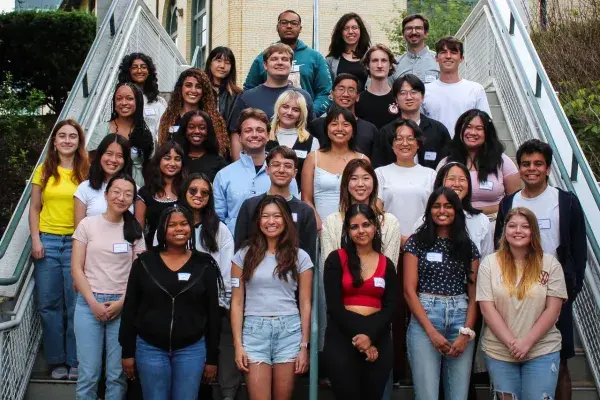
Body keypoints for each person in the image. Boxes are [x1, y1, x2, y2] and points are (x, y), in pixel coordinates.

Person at [494, 139, 587, 400]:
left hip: (554, 295)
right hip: (513, 295)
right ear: (520, 168)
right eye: (525, 164)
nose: (531, 169)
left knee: (560, 362)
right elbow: (499, 247)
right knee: (512, 356)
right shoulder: (508, 203)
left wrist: (567, 293)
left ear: (547, 168)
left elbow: (578, 253)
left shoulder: (566, 202)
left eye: (538, 164)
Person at [119, 205, 222, 399]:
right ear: (162, 230)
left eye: (184, 224)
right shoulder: (144, 263)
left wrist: (212, 358)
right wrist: (127, 352)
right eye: (172, 225)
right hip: (150, 348)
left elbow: (213, 315)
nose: (179, 229)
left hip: (191, 349)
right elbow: (130, 309)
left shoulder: (205, 264)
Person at [478, 207, 567, 399]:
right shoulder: (489, 263)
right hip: (499, 351)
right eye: (512, 226)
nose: (518, 231)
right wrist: (513, 343)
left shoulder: (550, 264)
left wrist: (527, 342)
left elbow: (553, 309)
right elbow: (487, 308)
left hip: (542, 350)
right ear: (505, 230)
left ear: (533, 231)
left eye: (525, 226)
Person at [230, 195, 313, 400]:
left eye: (277, 216)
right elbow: (237, 302)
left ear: (286, 220)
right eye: (265, 216)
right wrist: (238, 344)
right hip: (254, 332)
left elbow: (305, 303)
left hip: (289, 331)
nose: (271, 221)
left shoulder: (300, 256)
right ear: (258, 221)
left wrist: (304, 346)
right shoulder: (243, 255)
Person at [71, 174, 145, 399]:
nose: (121, 197)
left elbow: (138, 274)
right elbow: (76, 268)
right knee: (88, 374)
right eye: (116, 191)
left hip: (122, 307)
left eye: (128, 194)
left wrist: (122, 303)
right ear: (106, 194)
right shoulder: (87, 224)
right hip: (88, 305)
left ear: (132, 200)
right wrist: (93, 303)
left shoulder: (135, 231)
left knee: (116, 375)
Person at [404, 187, 481, 400]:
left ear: (456, 210)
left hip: (460, 318)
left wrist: (466, 333)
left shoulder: (469, 247)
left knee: (458, 396)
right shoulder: (416, 242)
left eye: (448, 206)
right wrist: (431, 332)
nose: (442, 211)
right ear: (429, 211)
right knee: (427, 395)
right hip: (426, 318)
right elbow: (409, 291)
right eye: (436, 206)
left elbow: (474, 296)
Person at [29, 119, 89, 380]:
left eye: (72, 136)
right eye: (62, 136)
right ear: (54, 141)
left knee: (76, 304)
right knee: (49, 304)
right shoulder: (43, 170)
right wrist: (35, 240)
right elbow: (34, 208)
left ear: (79, 142)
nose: (67, 140)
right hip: (49, 242)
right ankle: (56, 361)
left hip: (76, 243)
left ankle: (75, 359)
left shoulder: (86, 171)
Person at [320, 159, 401, 350]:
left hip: (378, 320)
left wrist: (371, 335)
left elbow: (389, 272)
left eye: (366, 178)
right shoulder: (332, 221)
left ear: (374, 183)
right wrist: (360, 335)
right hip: (342, 320)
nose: (360, 184)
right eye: (354, 178)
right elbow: (330, 272)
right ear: (346, 184)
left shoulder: (390, 222)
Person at [323, 204, 397, 400]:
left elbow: (390, 307)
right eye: (354, 227)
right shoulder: (336, 259)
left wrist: (370, 337)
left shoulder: (386, 264)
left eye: (366, 225)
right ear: (347, 230)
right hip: (342, 338)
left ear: (375, 227)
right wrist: (362, 339)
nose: (361, 231)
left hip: (378, 339)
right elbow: (334, 306)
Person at [177, 173, 237, 400]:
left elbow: (225, 272)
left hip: (212, 309)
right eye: (193, 190)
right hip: (178, 308)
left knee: (212, 371)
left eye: (204, 192)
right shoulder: (169, 222)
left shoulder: (219, 230)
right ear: (184, 192)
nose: (198, 196)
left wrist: (219, 304)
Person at [214, 108, 299, 234]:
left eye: (260, 130)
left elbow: (293, 212)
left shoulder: (283, 174)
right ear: (240, 137)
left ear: (268, 135)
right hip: (235, 247)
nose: (254, 135)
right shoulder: (224, 175)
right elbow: (217, 219)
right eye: (248, 130)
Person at [229, 43, 314, 161]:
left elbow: (309, 130)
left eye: (285, 59)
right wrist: (238, 166)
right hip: (255, 166)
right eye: (274, 59)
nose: (280, 62)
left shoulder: (303, 97)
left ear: (291, 65)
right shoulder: (247, 97)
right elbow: (235, 134)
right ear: (265, 65)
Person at [235, 146, 317, 260]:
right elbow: (239, 250)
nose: (281, 170)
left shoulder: (305, 211)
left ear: (295, 172)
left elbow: (309, 256)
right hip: (254, 273)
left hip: (292, 273)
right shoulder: (250, 206)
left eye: (288, 166)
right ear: (267, 170)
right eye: (276, 165)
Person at [244, 9, 332, 116]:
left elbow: (326, 92)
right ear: (277, 27)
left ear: (300, 28)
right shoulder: (262, 58)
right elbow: (249, 89)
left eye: (294, 23)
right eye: (284, 23)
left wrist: (309, 113)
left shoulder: (315, 57)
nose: (289, 26)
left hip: (303, 125)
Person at [440, 109, 521, 225]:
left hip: (495, 224)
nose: (473, 132)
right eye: (468, 127)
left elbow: (515, 201)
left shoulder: (503, 162)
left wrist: (481, 211)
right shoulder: (446, 163)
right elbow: (438, 198)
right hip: (455, 224)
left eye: (479, 128)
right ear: (460, 130)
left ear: (487, 133)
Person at [302, 107, 368, 230]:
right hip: (321, 227)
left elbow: (368, 199)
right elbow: (306, 198)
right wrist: (320, 225)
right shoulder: (313, 158)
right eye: (334, 124)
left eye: (346, 124)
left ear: (353, 130)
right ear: (326, 129)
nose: (339, 129)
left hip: (354, 229)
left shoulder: (363, 160)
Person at [375, 119, 436, 243]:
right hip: (388, 240)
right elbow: (377, 210)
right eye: (398, 138)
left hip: (423, 240)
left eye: (410, 138)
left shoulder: (430, 174)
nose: (405, 143)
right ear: (392, 144)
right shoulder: (380, 173)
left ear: (418, 143)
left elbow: (433, 210)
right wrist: (398, 238)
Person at [373, 74, 450, 169]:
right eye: (403, 93)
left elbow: (447, 165)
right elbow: (378, 166)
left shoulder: (438, 130)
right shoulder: (386, 132)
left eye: (414, 92)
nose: (409, 97)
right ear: (396, 99)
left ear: (422, 97)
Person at [87, 83, 154, 188]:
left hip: (138, 187)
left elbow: (150, 165)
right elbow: (91, 162)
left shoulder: (145, 132)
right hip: (106, 186)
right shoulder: (102, 129)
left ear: (138, 102)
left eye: (129, 98)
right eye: (119, 99)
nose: (123, 103)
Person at [422, 37, 491, 136]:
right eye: (443, 52)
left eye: (453, 52)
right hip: (435, 148)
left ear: (462, 58)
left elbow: (485, 123)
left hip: (465, 148)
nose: (448, 56)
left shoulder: (475, 89)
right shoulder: (425, 90)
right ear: (436, 57)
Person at [157, 68, 229, 158]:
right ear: (180, 88)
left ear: (204, 91)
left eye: (198, 86)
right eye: (188, 85)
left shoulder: (214, 117)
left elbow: (220, 151)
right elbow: (162, 147)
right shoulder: (169, 117)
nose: (193, 90)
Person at [430, 162, 493, 258]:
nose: (456, 184)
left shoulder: (481, 221)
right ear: (440, 183)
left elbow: (486, 259)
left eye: (462, 180)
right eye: (451, 179)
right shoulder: (425, 220)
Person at [308, 74, 377, 158]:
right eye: (341, 89)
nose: (345, 94)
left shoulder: (369, 129)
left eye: (351, 90)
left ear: (358, 97)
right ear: (332, 94)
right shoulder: (317, 125)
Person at [74, 134, 132, 227]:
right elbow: (78, 232)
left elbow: (137, 233)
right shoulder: (84, 188)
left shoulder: (134, 190)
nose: (113, 160)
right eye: (109, 153)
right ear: (100, 155)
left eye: (119, 156)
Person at [135, 142, 186, 248]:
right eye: (167, 158)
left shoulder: (188, 190)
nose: (172, 163)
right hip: (152, 253)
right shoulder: (145, 192)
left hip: (184, 250)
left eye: (177, 159)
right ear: (159, 161)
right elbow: (138, 231)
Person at [266, 89, 319, 188]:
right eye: (285, 107)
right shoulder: (264, 136)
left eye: (295, 110)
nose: (289, 112)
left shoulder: (312, 142)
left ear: (301, 114)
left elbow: (313, 178)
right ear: (278, 108)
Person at [118, 53, 168, 140]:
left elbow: (163, 131)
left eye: (143, 67)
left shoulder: (159, 102)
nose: (139, 71)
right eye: (134, 67)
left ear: (149, 72)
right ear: (128, 71)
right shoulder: (121, 100)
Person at [172, 110, 228, 182]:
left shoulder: (219, 164)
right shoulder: (175, 159)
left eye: (202, 128)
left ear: (208, 131)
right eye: (191, 127)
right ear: (184, 130)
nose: (197, 131)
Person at [355, 44, 397, 129]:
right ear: (367, 65)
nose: (379, 65)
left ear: (390, 65)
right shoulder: (358, 101)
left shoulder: (399, 99)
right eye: (375, 60)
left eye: (384, 60)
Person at [326, 13, 371, 92]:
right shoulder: (330, 61)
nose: (350, 31)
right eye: (346, 28)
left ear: (361, 31)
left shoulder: (370, 58)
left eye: (354, 28)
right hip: (340, 103)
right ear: (340, 32)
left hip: (365, 103)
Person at [391, 14, 439, 83]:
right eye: (409, 28)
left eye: (418, 28)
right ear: (403, 34)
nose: (413, 32)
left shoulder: (439, 61)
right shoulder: (395, 64)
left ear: (426, 33)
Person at [205, 46, 243, 127]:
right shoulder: (200, 90)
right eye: (218, 61)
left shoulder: (237, 94)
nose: (222, 66)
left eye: (227, 62)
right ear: (210, 63)